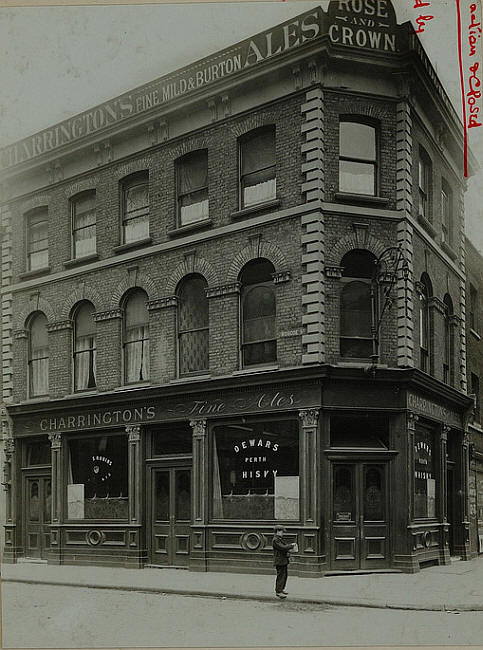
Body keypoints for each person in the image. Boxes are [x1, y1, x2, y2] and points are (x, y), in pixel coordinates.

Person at [272, 525, 296, 599]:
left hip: (283, 560)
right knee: (281, 576)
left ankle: (281, 589)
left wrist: (289, 546)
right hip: (279, 561)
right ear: (277, 532)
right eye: (281, 531)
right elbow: (283, 547)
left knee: (284, 575)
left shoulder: (279, 539)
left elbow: (285, 546)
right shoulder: (275, 540)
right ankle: (278, 591)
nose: (282, 533)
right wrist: (291, 545)